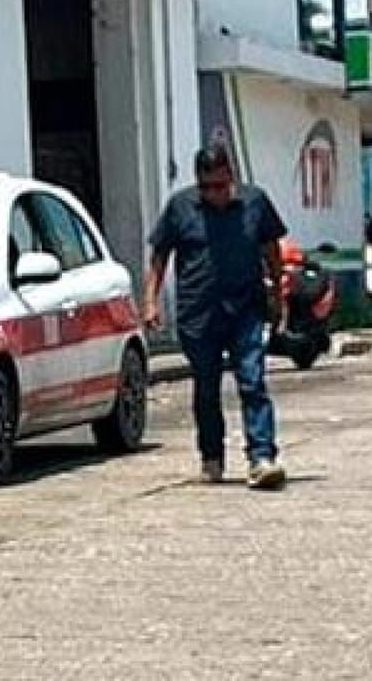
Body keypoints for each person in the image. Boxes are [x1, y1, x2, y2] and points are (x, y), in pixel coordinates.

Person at [142, 145, 290, 490]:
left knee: (252, 381)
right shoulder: (181, 207)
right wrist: (150, 301)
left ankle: (261, 456)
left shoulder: (255, 203)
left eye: (220, 186)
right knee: (206, 388)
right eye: (207, 187)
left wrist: (277, 296)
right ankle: (212, 457)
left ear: (231, 177)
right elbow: (159, 257)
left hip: (246, 308)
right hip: (198, 312)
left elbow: (271, 251)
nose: (215, 194)